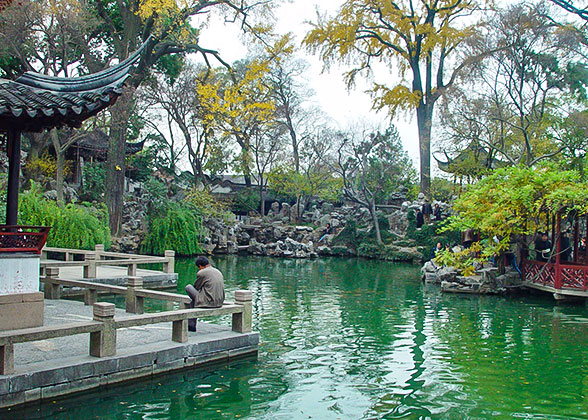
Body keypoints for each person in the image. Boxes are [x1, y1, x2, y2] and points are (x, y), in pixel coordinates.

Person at [185, 256, 225, 332]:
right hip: (219, 302)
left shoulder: (202, 273)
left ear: (200, 266)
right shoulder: (217, 271)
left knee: (188, 287)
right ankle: (191, 324)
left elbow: (196, 287)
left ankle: (191, 325)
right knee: (193, 301)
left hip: (209, 302)